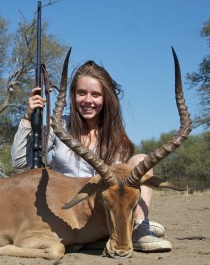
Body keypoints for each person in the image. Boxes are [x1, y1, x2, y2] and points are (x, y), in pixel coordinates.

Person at [11, 60, 172, 252]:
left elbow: (118, 191)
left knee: (140, 160)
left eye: (95, 94)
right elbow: (19, 161)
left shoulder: (115, 137)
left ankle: (140, 226)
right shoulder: (59, 126)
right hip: (64, 210)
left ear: (105, 98)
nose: (88, 100)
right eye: (82, 93)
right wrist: (29, 117)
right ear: (73, 95)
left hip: (96, 212)